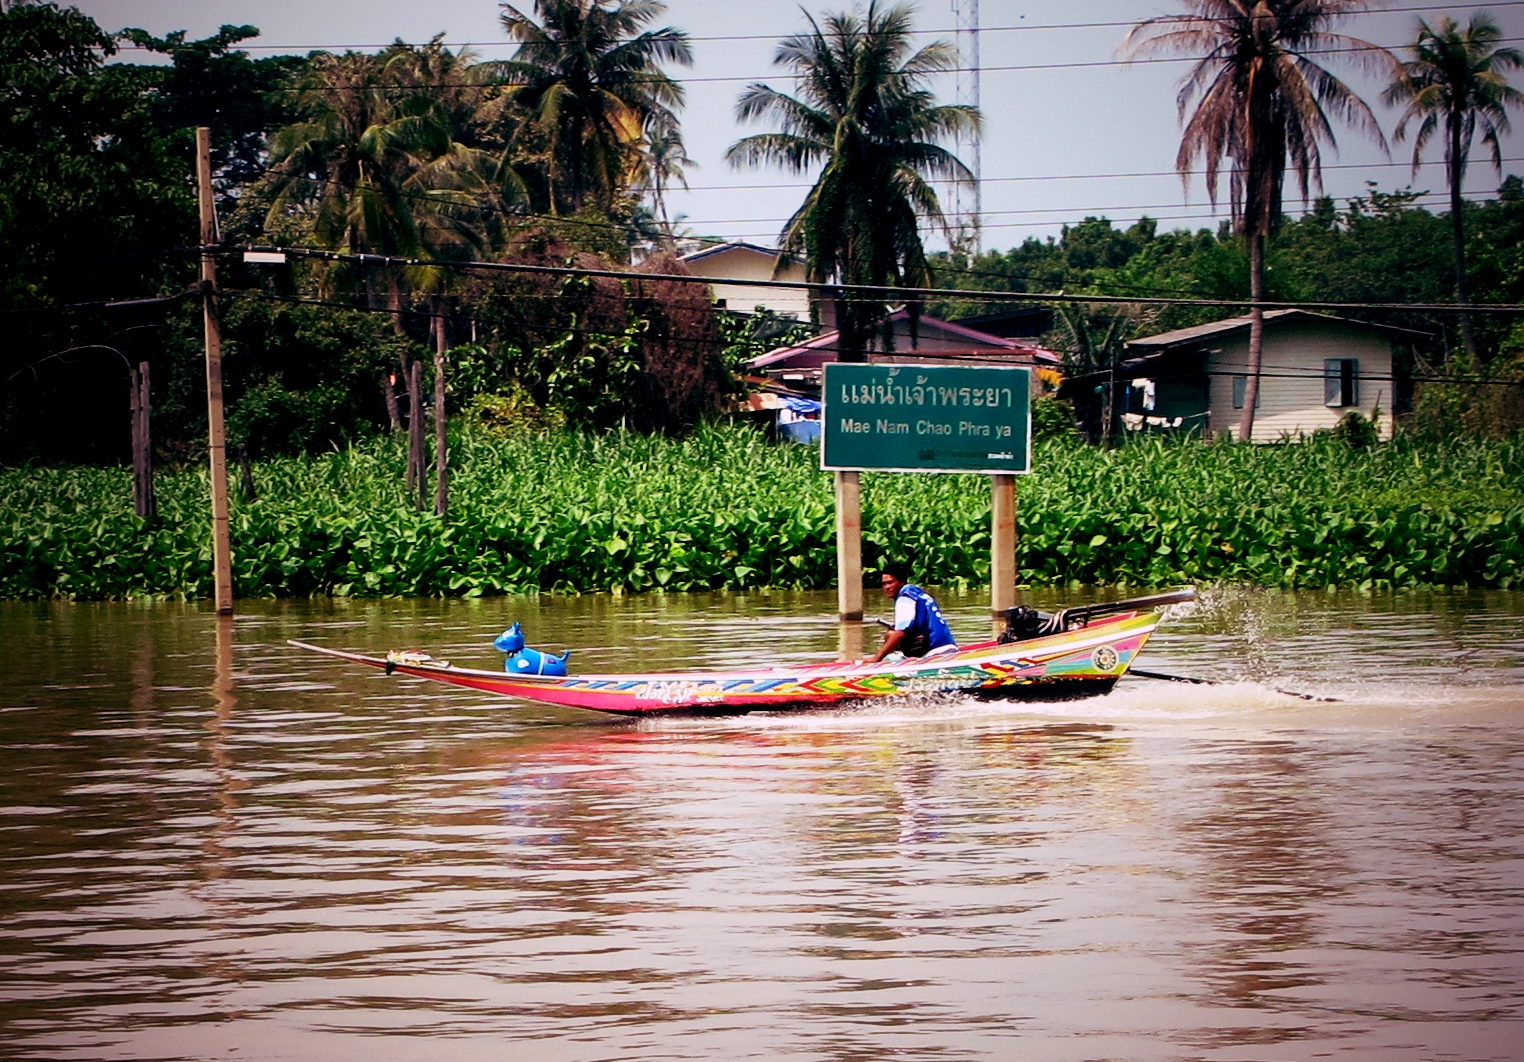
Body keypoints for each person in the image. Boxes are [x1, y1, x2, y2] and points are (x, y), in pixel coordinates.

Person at [867, 561, 956, 663]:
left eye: (890, 582)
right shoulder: (918, 594)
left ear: (901, 582)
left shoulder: (905, 597)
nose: (887, 587)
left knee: (891, 638)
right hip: (949, 647)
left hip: (935, 653)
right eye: (884, 584)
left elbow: (899, 634)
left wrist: (875, 660)